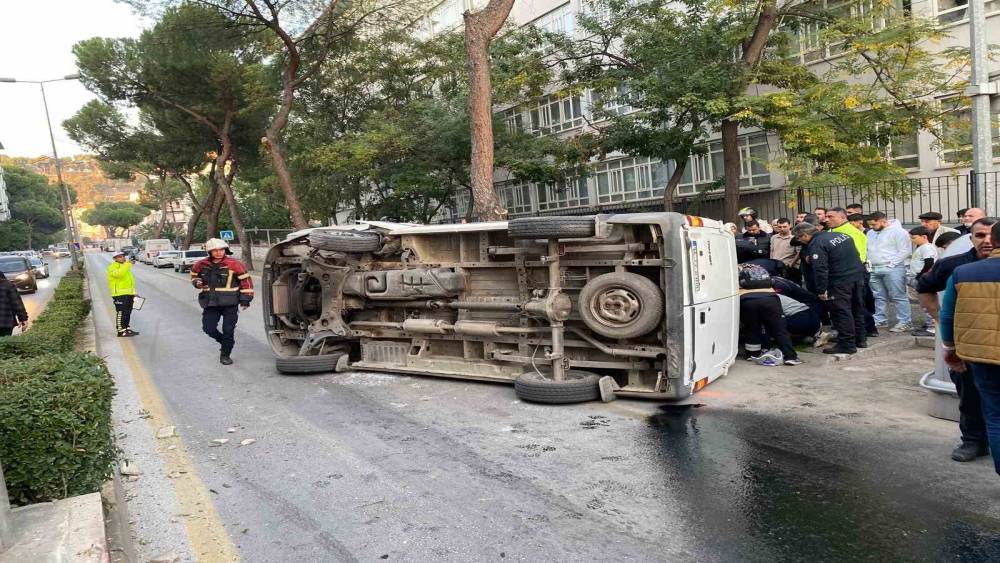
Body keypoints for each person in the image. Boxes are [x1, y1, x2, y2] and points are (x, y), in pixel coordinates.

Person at [916, 216, 997, 463]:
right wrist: (939, 320)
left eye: (992, 235)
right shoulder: (955, 266)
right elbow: (924, 286)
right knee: (970, 397)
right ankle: (973, 441)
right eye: (980, 235)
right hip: (967, 347)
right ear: (970, 237)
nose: (987, 241)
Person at [939, 220, 1000, 476]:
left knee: (995, 415)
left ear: (993, 241)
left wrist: (950, 348)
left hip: (981, 357)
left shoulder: (964, 273)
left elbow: (947, 316)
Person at [793, 221, 866, 354]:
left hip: (839, 282)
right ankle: (860, 339)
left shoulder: (816, 244)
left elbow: (820, 269)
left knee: (841, 312)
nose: (800, 241)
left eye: (799, 238)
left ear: (804, 235)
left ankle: (847, 344)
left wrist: (821, 290)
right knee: (856, 309)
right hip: (856, 277)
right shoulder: (841, 235)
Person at [191, 238, 254, 365]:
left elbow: (246, 282)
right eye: (215, 250)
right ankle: (225, 342)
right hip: (210, 303)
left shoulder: (234, 264)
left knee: (228, 330)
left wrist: (245, 300)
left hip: (230, 304)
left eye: (221, 250)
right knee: (208, 328)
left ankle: (225, 354)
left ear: (225, 250)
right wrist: (197, 283)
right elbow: (194, 276)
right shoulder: (201, 264)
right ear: (209, 252)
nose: (218, 252)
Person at [737, 264, 802, 366]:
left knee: (752, 328)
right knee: (779, 329)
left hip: (746, 299)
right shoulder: (760, 270)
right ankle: (791, 357)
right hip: (769, 299)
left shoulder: (737, 271)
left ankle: (752, 354)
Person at [827, 207, 876, 337]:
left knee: (857, 304)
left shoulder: (853, 233)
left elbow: (859, 256)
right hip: (838, 274)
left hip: (853, 274)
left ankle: (867, 330)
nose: (827, 220)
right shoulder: (831, 231)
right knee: (843, 306)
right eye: (826, 217)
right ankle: (849, 332)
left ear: (842, 217)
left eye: (831, 217)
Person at [867, 212, 913, 332]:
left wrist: (892, 263)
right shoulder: (871, 232)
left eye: (874, 224)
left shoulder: (898, 232)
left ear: (883, 221)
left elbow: (905, 250)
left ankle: (905, 321)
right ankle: (880, 319)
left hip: (893, 268)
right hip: (874, 267)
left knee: (898, 295)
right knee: (878, 296)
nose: (872, 227)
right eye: (870, 224)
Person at [908, 226, 938, 335]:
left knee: (927, 304)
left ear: (924, 237)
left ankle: (932, 328)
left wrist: (920, 276)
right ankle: (929, 324)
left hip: (923, 279)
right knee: (923, 304)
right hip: (919, 278)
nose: (912, 240)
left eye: (914, 238)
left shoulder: (927, 248)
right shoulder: (920, 247)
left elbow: (929, 263)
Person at [107, 250, 139, 337]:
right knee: (121, 312)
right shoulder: (112, 267)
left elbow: (130, 282)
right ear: (115, 258)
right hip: (119, 295)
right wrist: (127, 265)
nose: (122, 257)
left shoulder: (125, 267)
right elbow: (118, 275)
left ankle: (126, 329)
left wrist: (134, 293)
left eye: (123, 256)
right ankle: (120, 331)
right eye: (120, 256)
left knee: (128, 312)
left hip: (129, 294)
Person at [770, 218, 800, 283]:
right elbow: (772, 251)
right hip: (776, 267)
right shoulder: (774, 237)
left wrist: (791, 265)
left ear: (790, 226)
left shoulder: (795, 237)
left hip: (791, 268)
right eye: (779, 227)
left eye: (784, 227)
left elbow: (799, 253)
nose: (782, 229)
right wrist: (771, 263)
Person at [0, 271, 28, 336]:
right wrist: (23, 318)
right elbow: (16, 303)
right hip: (5, 322)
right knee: (5, 343)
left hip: (5, 322)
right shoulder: (8, 285)